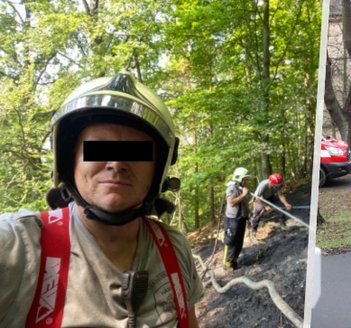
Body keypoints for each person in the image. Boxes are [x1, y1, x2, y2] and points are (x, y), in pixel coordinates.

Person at [0, 74, 203, 327]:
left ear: (158, 169)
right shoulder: (18, 247)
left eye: (136, 152)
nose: (117, 163)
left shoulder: (175, 249)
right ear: (69, 160)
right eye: (98, 148)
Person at [223, 167, 251, 269]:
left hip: (241, 218)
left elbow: (243, 203)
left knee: (239, 241)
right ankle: (227, 263)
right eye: (245, 179)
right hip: (232, 219)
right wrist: (244, 194)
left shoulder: (240, 187)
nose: (246, 181)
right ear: (240, 178)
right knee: (231, 241)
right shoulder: (232, 188)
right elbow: (231, 202)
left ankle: (234, 262)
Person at [250, 173, 292, 238]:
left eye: (278, 186)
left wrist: (286, 204)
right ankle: (253, 233)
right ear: (271, 183)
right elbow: (256, 198)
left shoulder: (277, 184)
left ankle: (283, 225)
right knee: (257, 215)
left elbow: (280, 195)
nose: (277, 187)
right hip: (260, 199)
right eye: (276, 186)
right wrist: (265, 206)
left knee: (280, 209)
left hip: (270, 197)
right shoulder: (263, 185)